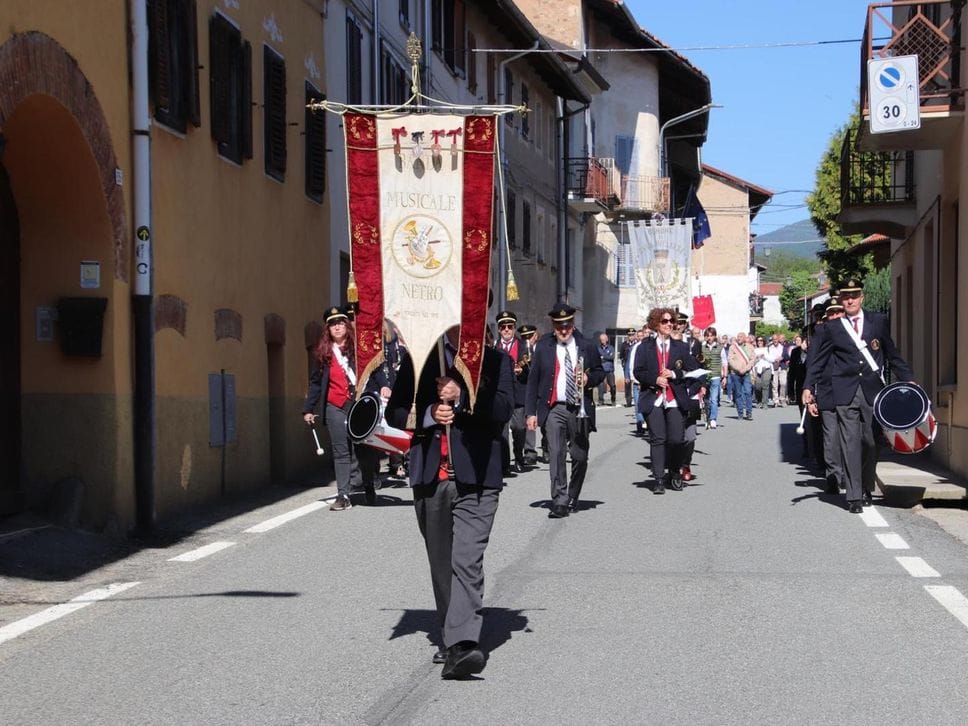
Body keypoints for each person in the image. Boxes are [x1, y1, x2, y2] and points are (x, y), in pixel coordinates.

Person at [385, 325, 514, 678]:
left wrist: (464, 395)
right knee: (442, 565)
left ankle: (463, 646)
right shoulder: (420, 361)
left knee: (467, 560)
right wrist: (428, 414)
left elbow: (503, 409)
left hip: (478, 479)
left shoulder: (496, 360)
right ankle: (450, 636)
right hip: (432, 478)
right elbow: (394, 412)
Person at [802, 279, 914, 513]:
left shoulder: (878, 321)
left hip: (872, 391)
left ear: (862, 297)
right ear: (842, 300)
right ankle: (854, 496)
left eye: (854, 295)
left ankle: (866, 485)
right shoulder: (832, 328)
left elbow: (892, 354)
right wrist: (808, 387)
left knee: (870, 442)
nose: (850, 300)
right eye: (846, 296)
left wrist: (908, 379)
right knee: (850, 442)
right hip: (845, 391)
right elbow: (818, 361)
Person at [302, 306, 387, 510]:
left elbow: (375, 369)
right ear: (328, 329)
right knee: (341, 452)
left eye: (340, 323)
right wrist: (308, 408)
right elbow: (315, 383)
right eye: (332, 324)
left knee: (362, 450)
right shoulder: (322, 353)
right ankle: (343, 496)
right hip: (334, 406)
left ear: (346, 325)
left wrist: (384, 385)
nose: (337, 327)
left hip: (358, 405)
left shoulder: (360, 348)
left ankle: (368, 484)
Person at [525, 304, 605, 517]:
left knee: (579, 455)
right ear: (553, 325)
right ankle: (559, 500)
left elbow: (600, 372)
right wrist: (530, 412)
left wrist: (588, 379)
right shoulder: (544, 346)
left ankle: (572, 494)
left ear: (573, 324)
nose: (563, 330)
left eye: (567, 325)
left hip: (579, 407)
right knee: (557, 453)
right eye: (559, 326)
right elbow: (533, 381)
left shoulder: (586, 345)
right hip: (554, 408)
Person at [634, 307, 701, 493]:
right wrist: (655, 379)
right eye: (665, 321)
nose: (669, 324)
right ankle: (658, 479)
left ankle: (674, 472)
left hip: (674, 398)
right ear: (655, 324)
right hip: (653, 398)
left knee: (676, 439)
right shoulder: (644, 347)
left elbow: (693, 371)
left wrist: (674, 373)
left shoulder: (681, 347)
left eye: (671, 321)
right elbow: (638, 372)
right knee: (658, 439)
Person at [494, 310, 529, 474]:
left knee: (519, 428)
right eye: (503, 327)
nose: (506, 330)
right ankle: (504, 464)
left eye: (510, 326)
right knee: (501, 432)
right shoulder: (494, 347)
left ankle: (519, 456)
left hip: (519, 394)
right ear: (499, 330)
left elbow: (534, 370)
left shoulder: (524, 347)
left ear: (514, 328)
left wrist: (523, 371)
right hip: (500, 395)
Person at [517, 323, 540, 465]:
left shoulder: (541, 348)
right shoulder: (521, 349)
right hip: (524, 388)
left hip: (539, 388)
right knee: (526, 419)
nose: (527, 339)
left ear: (535, 335)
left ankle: (547, 448)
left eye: (530, 336)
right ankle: (529, 451)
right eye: (524, 337)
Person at [727, 331, 755, 420]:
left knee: (748, 392)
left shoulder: (750, 347)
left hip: (746, 373)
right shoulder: (732, 347)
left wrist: (745, 369)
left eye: (741, 336)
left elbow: (752, 359)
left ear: (745, 338)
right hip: (735, 373)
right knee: (738, 393)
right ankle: (740, 413)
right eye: (738, 336)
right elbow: (730, 360)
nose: (739, 338)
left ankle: (749, 412)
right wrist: (738, 369)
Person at [700, 326, 723, 428]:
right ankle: (707, 417)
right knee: (706, 399)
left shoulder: (720, 348)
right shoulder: (702, 348)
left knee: (714, 399)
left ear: (714, 336)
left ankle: (713, 419)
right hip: (705, 377)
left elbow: (725, 362)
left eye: (711, 336)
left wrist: (725, 376)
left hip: (715, 376)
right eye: (707, 336)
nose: (709, 338)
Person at [752, 335, 773, 409]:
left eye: (761, 340)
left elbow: (772, 359)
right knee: (758, 386)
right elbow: (752, 362)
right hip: (757, 369)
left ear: (764, 341)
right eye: (758, 340)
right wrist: (757, 358)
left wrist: (765, 357)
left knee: (765, 386)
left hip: (766, 368)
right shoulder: (754, 350)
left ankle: (765, 403)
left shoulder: (768, 349)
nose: (759, 342)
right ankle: (759, 401)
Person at [597, 332, 617, 406]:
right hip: (601, 369)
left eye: (604, 339)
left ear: (607, 339)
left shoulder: (611, 348)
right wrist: (605, 357)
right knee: (601, 385)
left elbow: (611, 357)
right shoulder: (598, 348)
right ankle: (600, 400)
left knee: (612, 385)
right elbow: (598, 358)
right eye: (601, 340)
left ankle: (613, 399)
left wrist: (603, 357)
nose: (603, 341)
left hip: (609, 370)